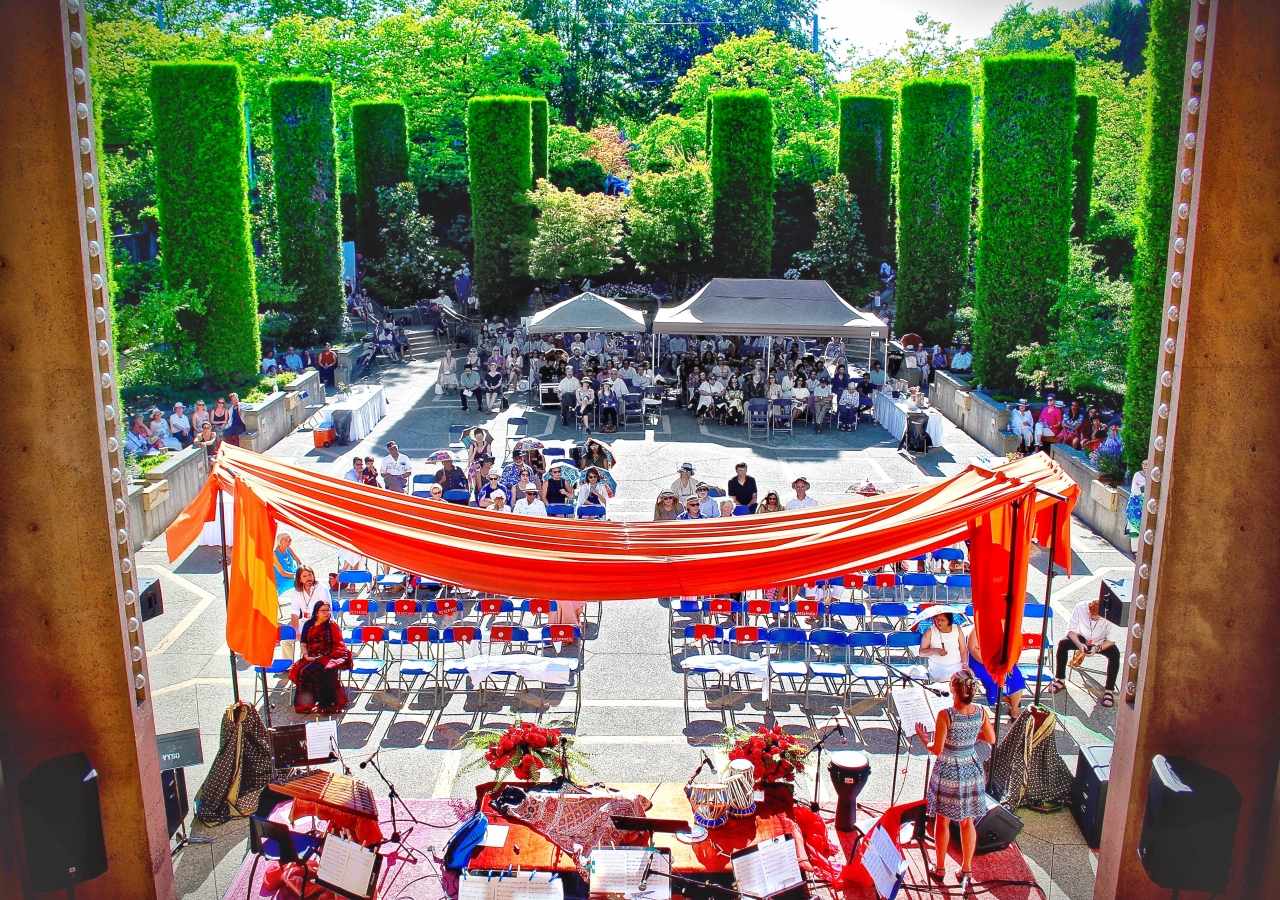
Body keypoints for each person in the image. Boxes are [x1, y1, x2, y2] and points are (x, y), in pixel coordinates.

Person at [916, 669, 996, 886]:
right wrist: (969, 736)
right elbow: (991, 737)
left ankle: (940, 867)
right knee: (967, 821)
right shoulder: (980, 711)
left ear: (954, 689)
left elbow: (937, 748)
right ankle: (967, 870)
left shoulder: (946, 715)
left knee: (942, 820)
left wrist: (925, 739)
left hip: (949, 769)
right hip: (971, 767)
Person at [1048, 598, 1122, 707]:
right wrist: (1079, 645)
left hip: (1101, 641)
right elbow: (1070, 630)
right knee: (1063, 644)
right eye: (1091, 617)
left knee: (1115, 654)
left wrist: (1098, 648)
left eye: (1096, 619)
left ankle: (1109, 691)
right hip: (1082, 637)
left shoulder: (1111, 613)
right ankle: (1060, 680)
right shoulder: (1080, 607)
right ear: (1088, 610)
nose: (1093, 620)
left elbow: (1111, 639)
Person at [288, 600, 351, 714]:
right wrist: (306, 656)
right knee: (301, 671)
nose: (326, 613)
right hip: (310, 656)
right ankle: (305, 705)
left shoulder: (332, 625)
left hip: (328, 656)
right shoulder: (308, 624)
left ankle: (327, 703)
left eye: (328, 610)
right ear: (316, 613)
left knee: (318, 670)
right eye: (323, 611)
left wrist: (326, 656)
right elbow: (303, 644)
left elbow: (339, 644)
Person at [966, 626, 1025, 719]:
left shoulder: (1007, 625)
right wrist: (992, 665)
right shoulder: (977, 628)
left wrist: (1006, 663)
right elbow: (972, 648)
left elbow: (1013, 647)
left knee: (1017, 678)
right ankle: (1004, 697)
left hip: (1001, 660)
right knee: (992, 679)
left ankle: (1014, 709)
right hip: (980, 661)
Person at [279, 566, 327, 657]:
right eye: (304, 576)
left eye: (310, 575)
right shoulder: (296, 592)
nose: (308, 578)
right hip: (305, 622)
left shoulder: (321, 588)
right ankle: (289, 668)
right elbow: (294, 613)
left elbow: (325, 611)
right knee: (285, 641)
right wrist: (296, 633)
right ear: (300, 579)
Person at [920, 612, 970, 682]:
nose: (939, 622)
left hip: (956, 665)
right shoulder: (930, 631)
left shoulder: (957, 629)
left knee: (965, 679)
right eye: (937, 619)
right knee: (947, 677)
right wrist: (935, 650)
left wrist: (965, 664)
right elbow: (921, 652)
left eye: (942, 620)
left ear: (949, 620)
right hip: (938, 667)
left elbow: (963, 650)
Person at [273, 532, 301, 597]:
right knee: (302, 581)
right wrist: (298, 576)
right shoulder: (274, 554)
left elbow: (299, 561)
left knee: (308, 578)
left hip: (295, 574)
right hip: (284, 579)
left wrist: (304, 568)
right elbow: (282, 573)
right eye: (285, 540)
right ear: (279, 541)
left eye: (289, 540)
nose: (288, 542)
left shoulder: (288, 549)